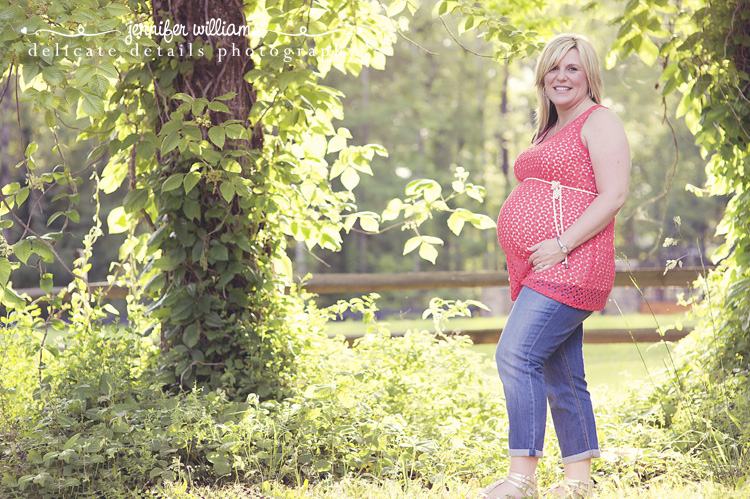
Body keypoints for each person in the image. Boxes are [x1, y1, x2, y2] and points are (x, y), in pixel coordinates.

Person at [482, 33, 631, 498]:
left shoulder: (599, 121)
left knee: (515, 354)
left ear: (590, 76)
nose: (562, 76)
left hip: (571, 264)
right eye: (554, 68)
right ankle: (578, 483)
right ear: (542, 75)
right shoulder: (549, 128)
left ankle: (520, 478)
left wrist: (561, 244)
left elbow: (614, 195)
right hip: (544, 268)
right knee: (562, 374)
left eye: (573, 68)